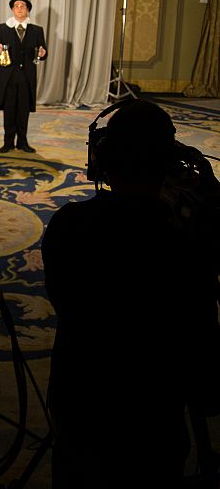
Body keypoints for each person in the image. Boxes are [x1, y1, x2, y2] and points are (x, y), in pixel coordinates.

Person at [41, 100, 220, 488]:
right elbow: (204, 359)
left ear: (103, 159)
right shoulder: (185, 244)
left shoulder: (67, 226)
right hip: (154, 421)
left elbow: (63, 300)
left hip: (79, 406)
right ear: (168, 166)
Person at [0, 0, 47, 153]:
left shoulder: (37, 30)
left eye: (23, 6)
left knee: (23, 110)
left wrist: (42, 53)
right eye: (16, 6)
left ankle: (22, 142)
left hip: (27, 77)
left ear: (28, 9)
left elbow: (43, 52)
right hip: (8, 77)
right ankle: (8, 142)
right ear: (12, 9)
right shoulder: (3, 28)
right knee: (9, 110)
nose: (19, 8)